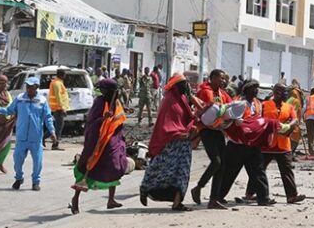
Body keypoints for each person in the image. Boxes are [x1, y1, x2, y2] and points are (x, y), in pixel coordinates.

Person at [139, 73, 202, 211]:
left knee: (183, 172)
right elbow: (165, 123)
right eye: (183, 84)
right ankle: (145, 188)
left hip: (184, 143)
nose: (186, 87)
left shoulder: (183, 99)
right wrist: (177, 133)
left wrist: (191, 127)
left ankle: (177, 202)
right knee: (160, 168)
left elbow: (188, 117)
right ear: (176, 86)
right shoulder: (169, 100)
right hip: (170, 142)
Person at [0, 76, 57, 191]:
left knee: (37, 162)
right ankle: (19, 178)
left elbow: (47, 117)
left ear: (36, 87)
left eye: (31, 87)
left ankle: (35, 182)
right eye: (27, 86)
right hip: (22, 137)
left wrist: (52, 131)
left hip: (36, 138)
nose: (28, 89)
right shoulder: (20, 98)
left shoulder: (42, 101)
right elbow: (9, 110)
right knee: (17, 160)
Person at [69, 79, 128, 214]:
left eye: (104, 89)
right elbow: (91, 121)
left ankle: (111, 200)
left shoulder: (116, 102)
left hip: (114, 140)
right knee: (87, 167)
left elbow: (119, 118)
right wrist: (103, 118)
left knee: (115, 165)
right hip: (98, 140)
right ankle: (75, 199)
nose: (102, 92)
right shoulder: (100, 102)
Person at [217, 80, 277, 207]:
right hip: (237, 145)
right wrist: (238, 122)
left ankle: (263, 198)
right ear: (246, 89)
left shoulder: (257, 104)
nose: (256, 90)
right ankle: (218, 196)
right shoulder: (238, 103)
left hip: (251, 144)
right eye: (253, 88)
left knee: (258, 171)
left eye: (257, 88)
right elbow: (225, 119)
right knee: (229, 173)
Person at [246, 83, 306, 204]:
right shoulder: (265, 105)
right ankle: (250, 193)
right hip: (266, 144)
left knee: (287, 170)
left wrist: (290, 126)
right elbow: (258, 119)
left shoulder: (289, 107)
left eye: (284, 91)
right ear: (275, 92)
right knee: (259, 169)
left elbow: (295, 119)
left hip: (283, 144)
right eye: (280, 91)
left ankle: (292, 195)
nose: (282, 93)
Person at [190, 69, 232, 209]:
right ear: (212, 78)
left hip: (218, 130)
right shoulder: (205, 91)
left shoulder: (222, 93)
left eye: (224, 78)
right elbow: (204, 109)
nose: (223, 81)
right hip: (206, 130)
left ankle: (214, 199)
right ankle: (199, 187)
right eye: (220, 78)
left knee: (223, 164)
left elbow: (229, 106)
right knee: (216, 161)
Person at [48, 68, 69, 150]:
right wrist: (62, 108)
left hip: (58, 108)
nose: (65, 76)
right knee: (59, 127)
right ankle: (55, 144)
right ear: (62, 75)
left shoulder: (59, 82)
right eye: (64, 74)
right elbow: (58, 96)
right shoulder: (57, 83)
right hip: (58, 108)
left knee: (56, 126)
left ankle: (43, 137)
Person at [287, 79, 304, 158]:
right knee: (294, 135)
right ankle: (289, 154)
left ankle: (290, 154)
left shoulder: (296, 94)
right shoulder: (295, 95)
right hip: (293, 119)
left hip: (296, 117)